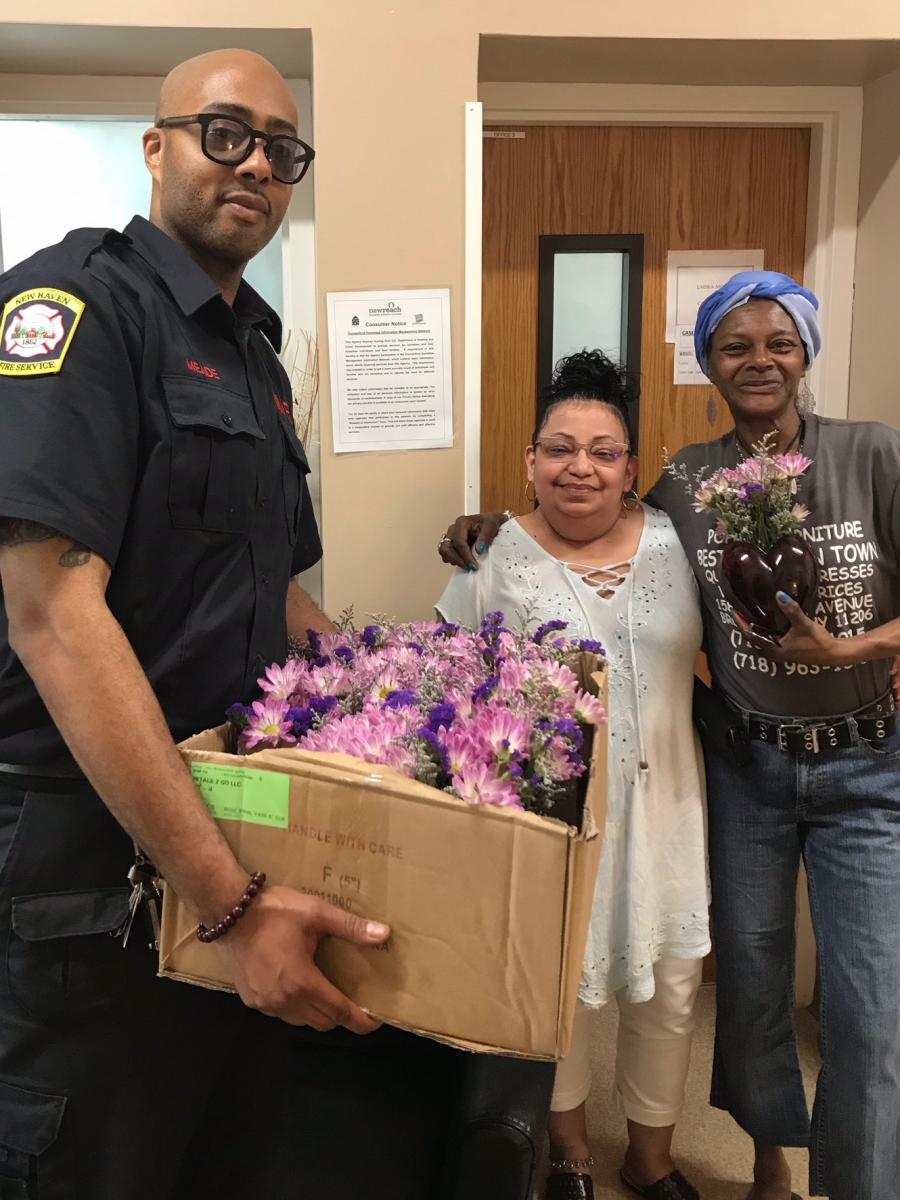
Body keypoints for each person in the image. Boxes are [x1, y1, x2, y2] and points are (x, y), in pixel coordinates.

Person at [0, 49, 391, 1199]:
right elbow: (53, 614)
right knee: (99, 1162)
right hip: (94, 866)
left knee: (228, 1151)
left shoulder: (258, 358)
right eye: (227, 132)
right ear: (157, 145)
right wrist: (226, 901)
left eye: (282, 148)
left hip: (235, 826)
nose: (258, 162)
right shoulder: (72, 309)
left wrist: (414, 714)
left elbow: (278, 597)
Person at [439, 272, 900, 1200]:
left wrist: (854, 644)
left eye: (778, 342)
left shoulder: (862, 457)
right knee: (727, 984)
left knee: (852, 1002)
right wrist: (496, 532)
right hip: (724, 772)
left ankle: (835, 1181)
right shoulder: (689, 482)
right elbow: (573, 535)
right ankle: (730, 1151)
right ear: (708, 365)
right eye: (735, 346)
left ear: (807, 350)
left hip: (822, 769)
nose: (759, 361)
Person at [436, 350, 710, 1200]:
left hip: (669, 806)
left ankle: (653, 1159)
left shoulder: (681, 541)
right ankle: (572, 1157)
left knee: (668, 990)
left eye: (603, 450)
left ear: (632, 467)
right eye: (559, 447)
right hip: (552, 824)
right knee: (563, 992)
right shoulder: (490, 559)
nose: (579, 467)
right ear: (529, 461)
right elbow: (447, 688)